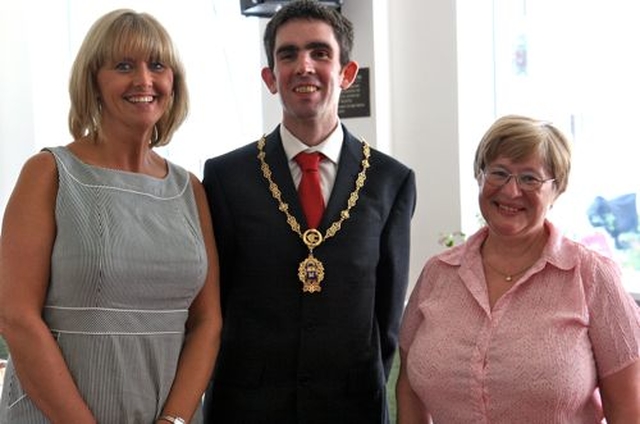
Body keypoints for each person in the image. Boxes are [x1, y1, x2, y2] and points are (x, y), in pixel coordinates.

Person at [0, 9, 221, 424]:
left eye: (157, 65)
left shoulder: (190, 188)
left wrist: (174, 420)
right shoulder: (49, 173)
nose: (144, 80)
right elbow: (15, 316)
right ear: (93, 83)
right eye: (123, 66)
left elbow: (207, 321)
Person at [201, 1, 416, 422]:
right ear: (270, 78)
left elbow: (386, 321)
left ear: (346, 74)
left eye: (320, 52)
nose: (304, 66)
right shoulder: (226, 178)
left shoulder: (391, 181)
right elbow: (215, 306)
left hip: (352, 408)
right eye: (288, 54)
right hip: (247, 409)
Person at [396, 115, 640, 423]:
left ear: (557, 190)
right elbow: (408, 387)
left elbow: (628, 410)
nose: (511, 191)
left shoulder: (591, 276)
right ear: (480, 177)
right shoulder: (438, 273)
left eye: (530, 178)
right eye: (499, 173)